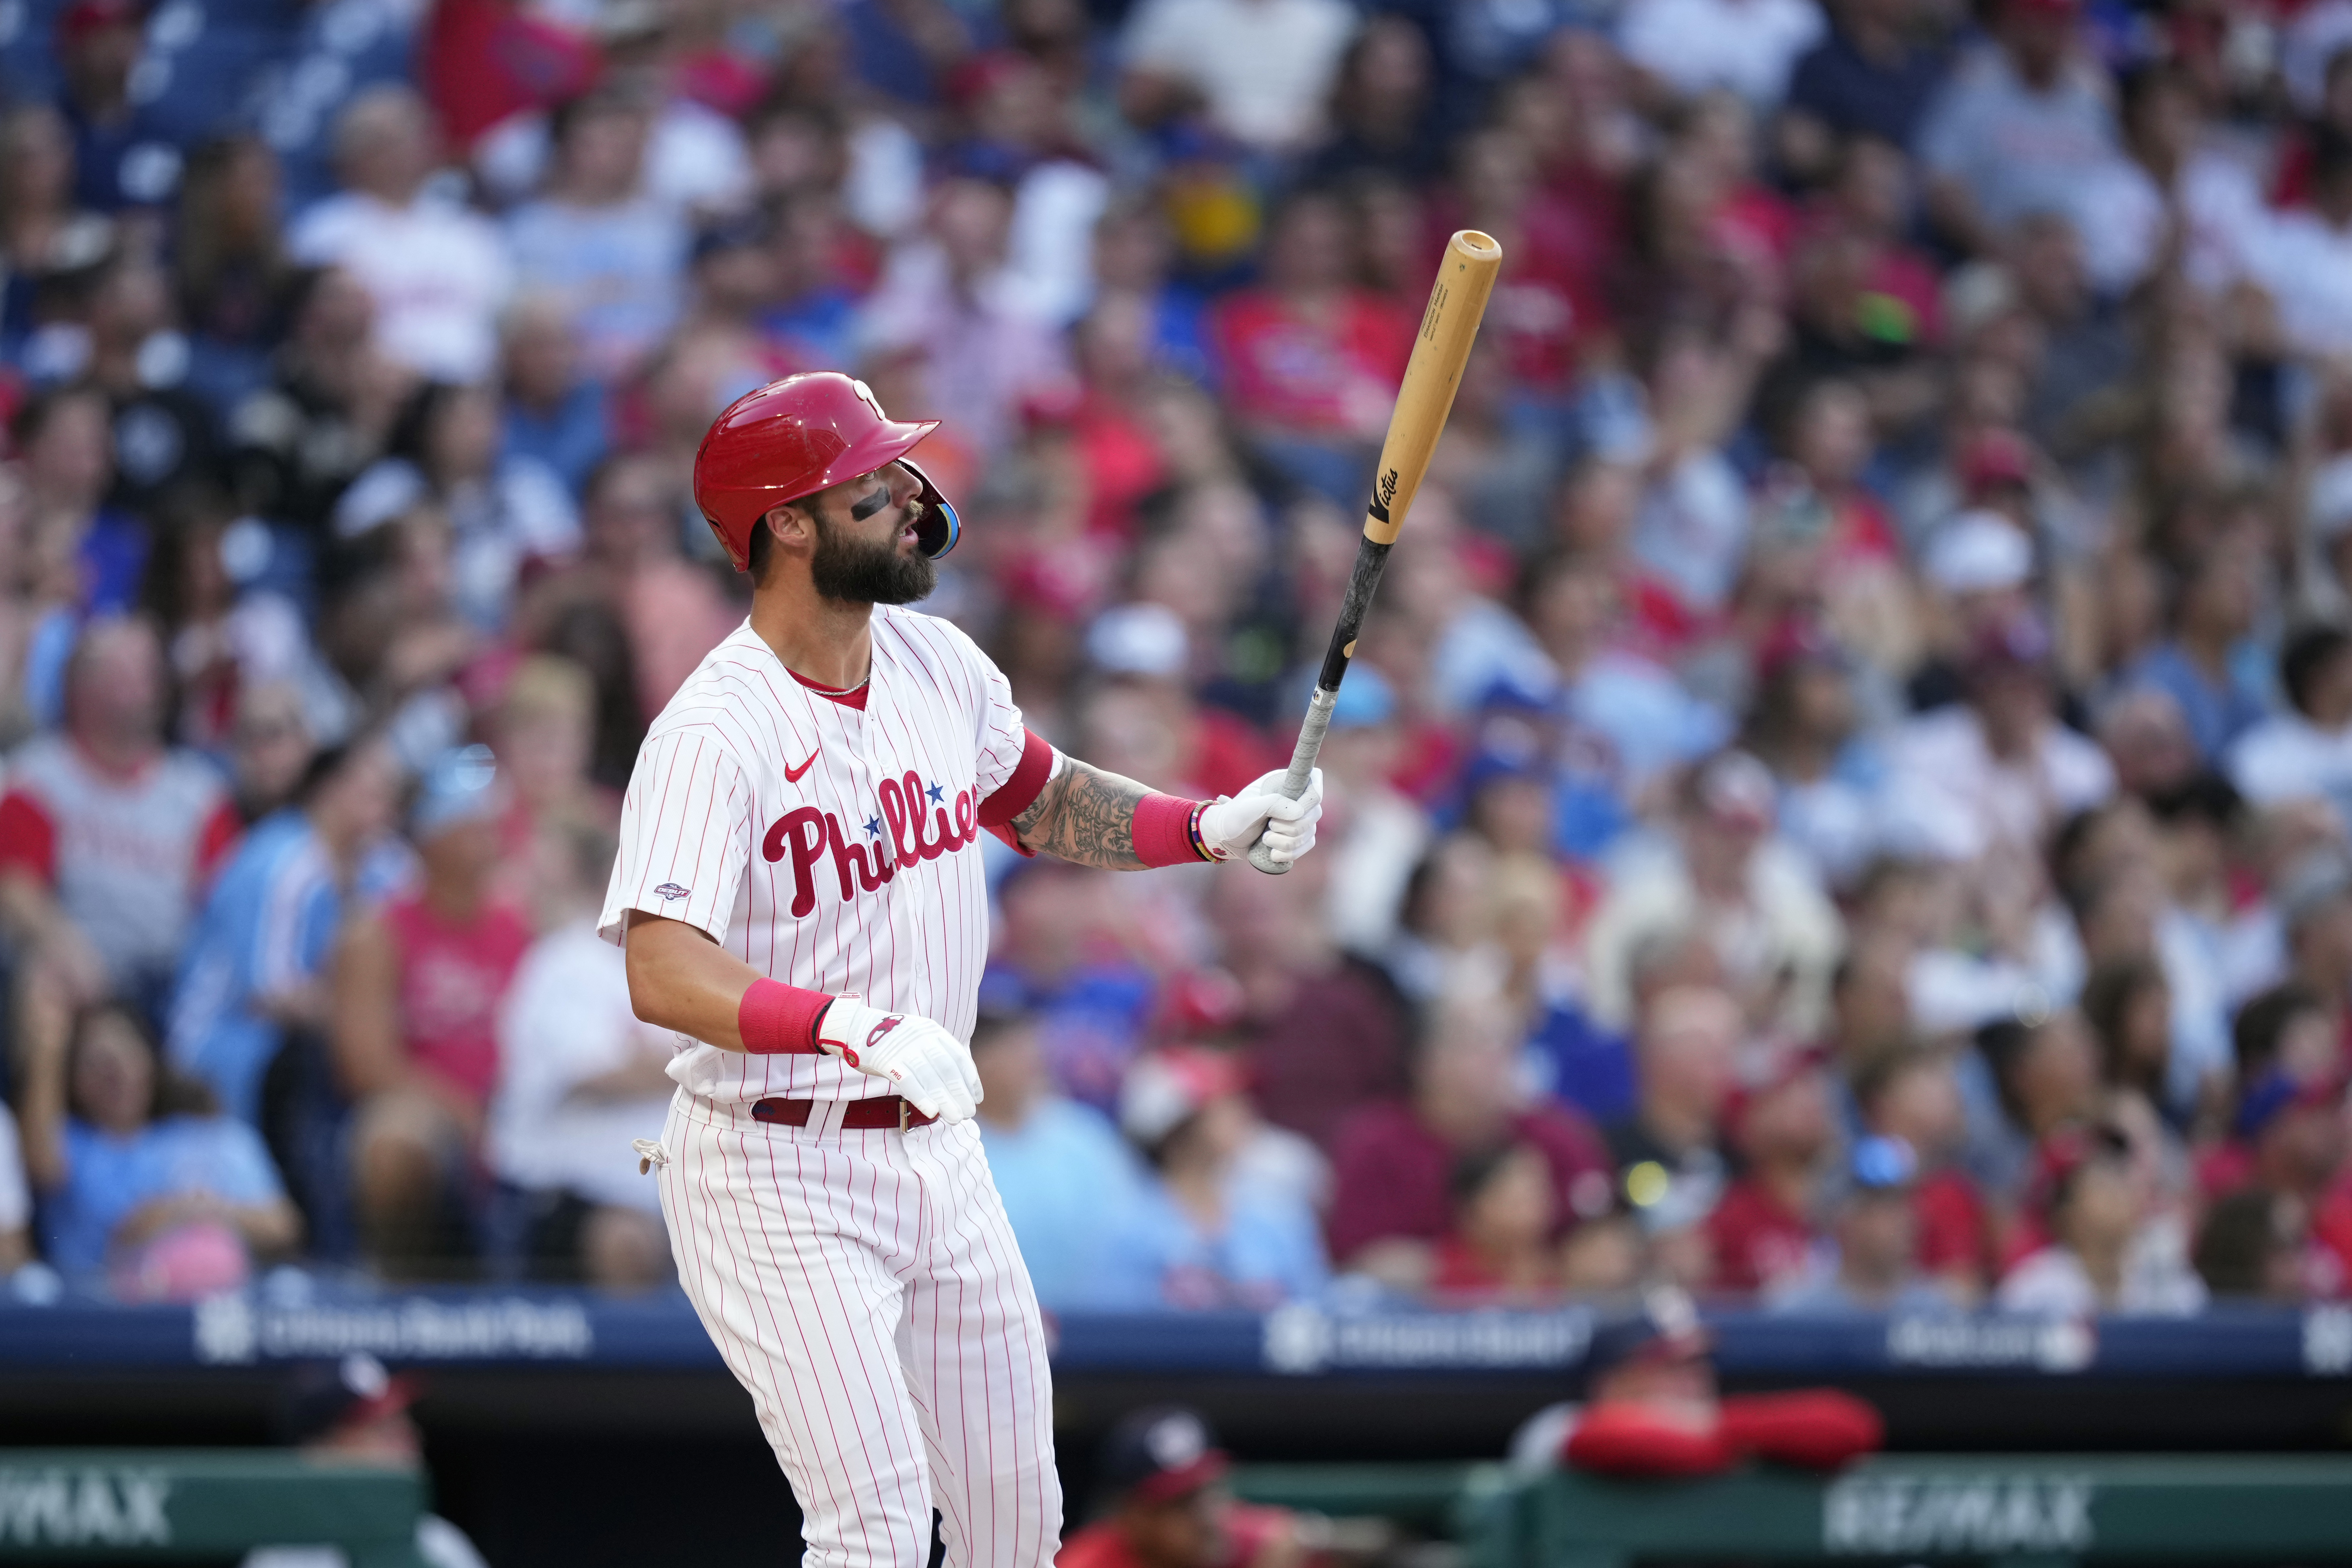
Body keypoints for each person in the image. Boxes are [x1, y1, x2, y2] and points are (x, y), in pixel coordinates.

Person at [610, 371, 1325, 1568]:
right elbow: (662, 969)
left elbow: (1039, 800)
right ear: (787, 521)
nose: (907, 495)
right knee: (878, 1529)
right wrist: (848, 1026)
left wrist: (1206, 826)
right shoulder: (710, 733)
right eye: (871, 481)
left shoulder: (935, 662)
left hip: (936, 1147)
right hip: (775, 1163)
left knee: (1015, 1524)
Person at [332, 745, 534, 1277]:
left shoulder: (525, 922)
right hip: (435, 1113)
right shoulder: (375, 933)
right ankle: (401, 1294)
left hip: (523, 1104)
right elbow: (368, 1065)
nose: (489, 829)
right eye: (471, 820)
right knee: (391, 1141)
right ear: (430, 837)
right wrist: (469, 1116)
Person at [0, 616, 241, 1020]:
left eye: (149, 667)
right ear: (79, 686)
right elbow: (18, 892)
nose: (144, 681)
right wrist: (67, 951)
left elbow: (226, 908)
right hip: (70, 981)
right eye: (124, 668)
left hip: (173, 989)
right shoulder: (34, 783)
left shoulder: (201, 795)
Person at [167, 736, 403, 1127]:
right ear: (330, 790)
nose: (387, 808)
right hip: (224, 1040)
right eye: (374, 792)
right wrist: (366, 1014)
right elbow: (272, 995)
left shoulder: (381, 860)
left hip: (316, 1036)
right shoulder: (281, 862)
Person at [488, 819, 673, 1289]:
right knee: (625, 1240)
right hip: (575, 1186)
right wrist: (714, 1063)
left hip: (679, 1181)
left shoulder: (690, 967)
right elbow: (598, 1073)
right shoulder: (565, 963)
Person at [1325, 987, 1612, 1288]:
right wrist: (1464, 1266)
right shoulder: (1376, 1144)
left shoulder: (1558, 1139)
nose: (1501, 1057)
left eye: (1508, 1041)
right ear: (1428, 1059)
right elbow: (1356, 1263)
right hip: (1417, 1326)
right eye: (1482, 1042)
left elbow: (1603, 1248)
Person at [18, 997, 300, 1297]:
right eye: (96, 1064)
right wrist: (47, 1053)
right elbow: (40, 1165)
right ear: (71, 1081)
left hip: (224, 1313)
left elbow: (284, 1226)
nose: (117, 1074)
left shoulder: (214, 1135)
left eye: (127, 1054)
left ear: (150, 1058)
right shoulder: (72, 1145)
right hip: (103, 1323)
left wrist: (184, 1211)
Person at [1096, 1047, 1327, 1309]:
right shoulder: (1128, 1224)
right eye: (1222, 1103)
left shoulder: (1279, 1212)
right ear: (1178, 1128)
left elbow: (1314, 1313)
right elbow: (1118, 1327)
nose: (1243, 1111)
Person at [969, 998, 1145, 1313]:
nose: (1027, 1060)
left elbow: (1125, 1231)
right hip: (986, 1320)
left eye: (1028, 1047)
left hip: (1096, 1324)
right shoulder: (951, 1142)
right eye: (1009, 1049)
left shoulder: (1084, 1134)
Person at [1058, 1407, 1339, 1568]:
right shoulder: (1089, 1562)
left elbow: (1289, 1537)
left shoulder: (1252, 1539)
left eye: (1210, 1492)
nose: (1208, 1516)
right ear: (1135, 1517)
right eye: (1183, 1503)